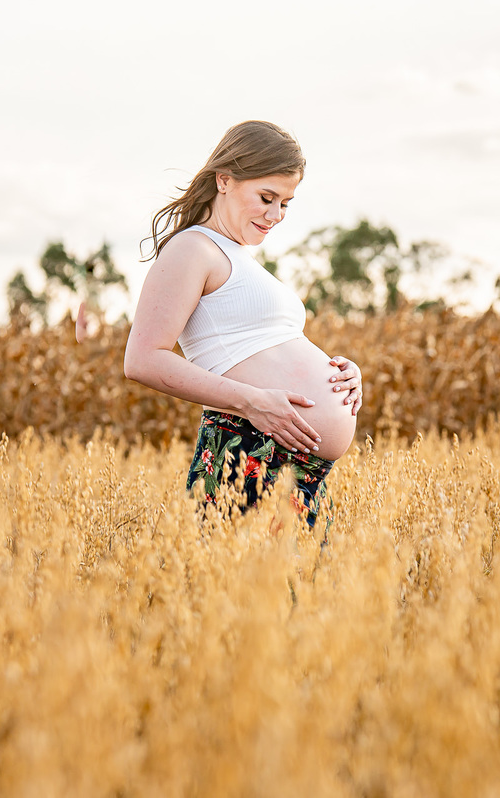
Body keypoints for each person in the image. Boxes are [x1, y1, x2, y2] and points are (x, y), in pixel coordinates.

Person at [124, 121, 362, 537]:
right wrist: (253, 402)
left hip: (291, 464)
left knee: (299, 598)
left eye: (286, 203)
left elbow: (265, 346)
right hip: (248, 451)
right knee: (249, 597)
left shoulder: (237, 256)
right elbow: (143, 359)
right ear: (225, 179)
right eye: (266, 198)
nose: (276, 215)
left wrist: (343, 374)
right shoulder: (192, 248)